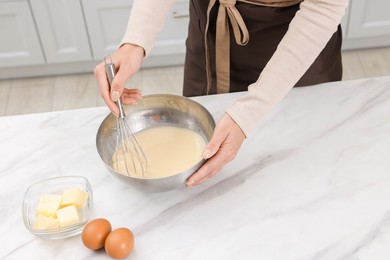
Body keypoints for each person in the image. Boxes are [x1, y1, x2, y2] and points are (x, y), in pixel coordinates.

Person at [94, 0, 349, 187]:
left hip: (294, 49)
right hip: (211, 33)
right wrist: (135, 41)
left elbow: (325, 6)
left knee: (292, 178)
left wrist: (249, 113)